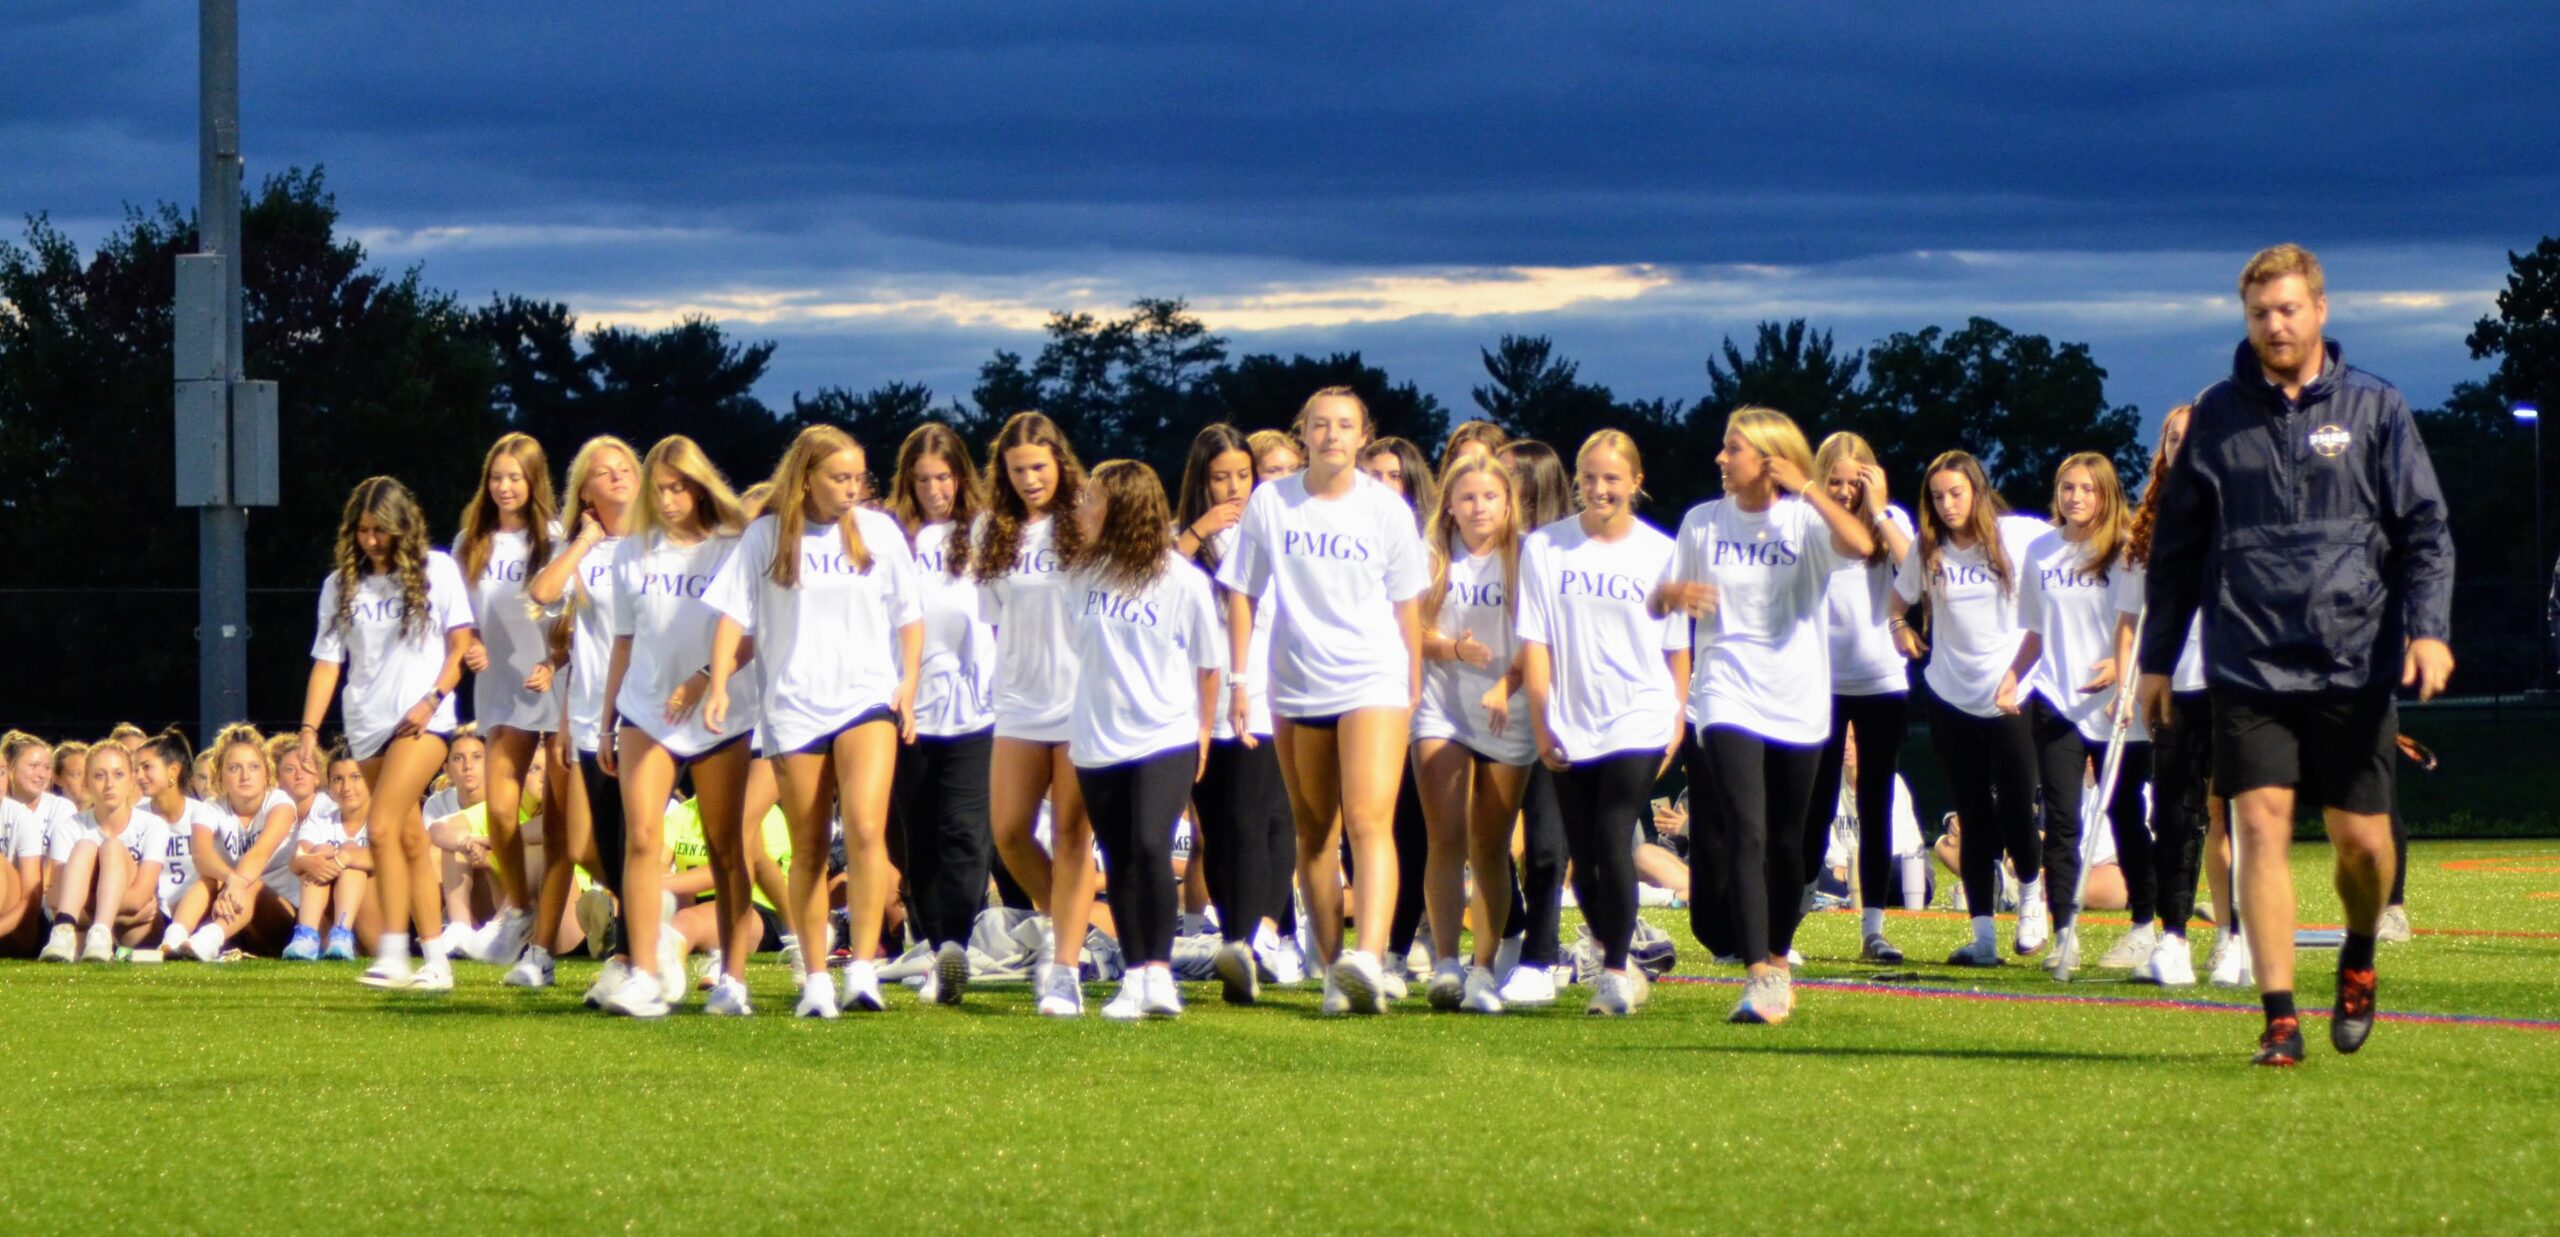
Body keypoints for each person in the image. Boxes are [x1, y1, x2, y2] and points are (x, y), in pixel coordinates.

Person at [2138, 243, 2454, 1067]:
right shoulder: (2215, 416)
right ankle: (2279, 1016)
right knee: (2258, 825)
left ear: (2319, 310)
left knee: (2364, 845)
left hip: (2353, 660)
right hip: (2248, 660)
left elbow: (2425, 531)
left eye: (2287, 309)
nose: (2274, 325)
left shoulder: (2377, 408)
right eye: (2259, 313)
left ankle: (2359, 949)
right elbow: (2176, 549)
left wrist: (2428, 629)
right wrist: (2157, 661)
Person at [1656, 409, 1872, 1022]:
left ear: (1769, 460)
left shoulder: (1805, 519)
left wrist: (1807, 487)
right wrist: (1671, 594)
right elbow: (1661, 601)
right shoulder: (1701, 521)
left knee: (1787, 843)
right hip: (1725, 690)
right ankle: (1758, 974)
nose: (1720, 459)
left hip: (1798, 698)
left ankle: (1778, 956)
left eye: (1733, 450)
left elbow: (1861, 545)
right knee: (1745, 831)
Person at [1218, 387, 1429, 1014]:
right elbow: (1241, 592)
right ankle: (1336, 970)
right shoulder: (1271, 501)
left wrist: (1412, 681)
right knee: (1314, 833)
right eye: (1319, 424)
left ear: (1363, 435)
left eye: (1344, 425)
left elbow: (1408, 607)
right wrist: (1238, 679)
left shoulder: (1386, 509)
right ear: (1303, 432)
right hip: (1295, 683)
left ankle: (1370, 957)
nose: (1331, 435)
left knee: (1368, 820)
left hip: (1372, 678)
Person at [706, 425, 920, 1018]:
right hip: (793, 705)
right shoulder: (766, 536)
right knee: (808, 846)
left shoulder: (879, 532)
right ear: (806, 478)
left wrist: (908, 684)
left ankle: (863, 969)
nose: (853, 488)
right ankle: (818, 979)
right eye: (839, 477)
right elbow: (732, 616)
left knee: (867, 827)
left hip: (866, 698)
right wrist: (718, 682)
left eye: (858, 477)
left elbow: (909, 616)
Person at [1520, 429, 1691, 1016]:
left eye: (1612, 478)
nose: (1599, 489)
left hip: (1639, 714)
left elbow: (1676, 648)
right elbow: (1536, 643)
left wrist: (1676, 718)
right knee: (1584, 858)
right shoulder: (1545, 548)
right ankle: (1617, 953)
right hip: (1571, 719)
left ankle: (1615, 971)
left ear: (1636, 483)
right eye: (1589, 477)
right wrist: (1542, 722)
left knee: (1614, 833)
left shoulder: (1661, 552)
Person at [592, 435, 759, 1019]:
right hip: (647, 710)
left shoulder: (734, 546)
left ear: (700, 486)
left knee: (725, 844)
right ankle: (643, 974)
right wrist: (607, 722)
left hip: (719, 712)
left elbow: (752, 637)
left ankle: (733, 979)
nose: (667, 499)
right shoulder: (631, 552)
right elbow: (624, 640)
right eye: (660, 489)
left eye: (679, 487)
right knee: (641, 836)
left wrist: (706, 678)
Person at [298, 476, 477, 992]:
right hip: (365, 724)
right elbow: (328, 663)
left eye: (380, 530)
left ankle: (395, 953)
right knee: (409, 838)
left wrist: (433, 698)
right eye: (363, 531)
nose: (371, 540)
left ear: (402, 526)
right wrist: (309, 730)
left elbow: (460, 646)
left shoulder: (437, 569)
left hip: (424, 721)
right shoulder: (339, 586)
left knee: (379, 827)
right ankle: (437, 962)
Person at [1066, 460, 1225, 1020]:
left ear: (1122, 508)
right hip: (1096, 737)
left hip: (1166, 735)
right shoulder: (1080, 575)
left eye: (1091, 499)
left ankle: (1160, 974)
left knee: (1152, 845)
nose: (1082, 508)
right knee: (1119, 855)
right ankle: (1134, 977)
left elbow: (1209, 663)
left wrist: (1203, 731)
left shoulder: (1182, 580)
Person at [970, 411, 1105, 1017]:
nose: (1029, 479)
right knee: (1008, 831)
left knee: (1074, 835)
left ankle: (1065, 970)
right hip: (1019, 702)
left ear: (1060, 464)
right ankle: (1076, 929)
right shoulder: (990, 531)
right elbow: (996, 623)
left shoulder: (1086, 520)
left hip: (1082, 700)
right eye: (1017, 470)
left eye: (1038, 467)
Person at [1898, 451, 2049, 967]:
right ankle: (1982, 935)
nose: (1947, 504)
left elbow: (2071, 547)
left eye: (1956, 493)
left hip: (2011, 694)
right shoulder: (1928, 549)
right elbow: (1898, 601)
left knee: (2016, 806)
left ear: (1978, 492)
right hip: (1949, 695)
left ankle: (2030, 897)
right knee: (1972, 814)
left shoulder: (2018, 535)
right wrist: (1899, 627)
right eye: (1937, 496)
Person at [1172, 424, 1301, 1003]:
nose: (1233, 488)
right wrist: (1199, 531)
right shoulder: (1186, 541)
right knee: (1217, 830)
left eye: (1243, 476)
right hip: (1199, 705)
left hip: (1263, 698)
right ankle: (1233, 939)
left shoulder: (1271, 532)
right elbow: (1150, 581)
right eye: (1220, 477)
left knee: (1254, 820)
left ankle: (1250, 942)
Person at [511, 435, 639, 990]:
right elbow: (542, 594)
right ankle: (649, 911)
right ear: (585, 490)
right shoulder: (583, 550)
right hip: (588, 714)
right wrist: (585, 539)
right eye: (603, 471)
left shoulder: (655, 544)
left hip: (644, 712)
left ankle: (636, 950)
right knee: (588, 843)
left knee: (633, 836)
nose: (617, 476)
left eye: (624, 467)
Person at [2018, 452, 2150, 980]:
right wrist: (2012, 676)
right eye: (2068, 487)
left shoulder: (2128, 549)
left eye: (2088, 489)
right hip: (2056, 701)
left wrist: (2121, 669)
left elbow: (2145, 623)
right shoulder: (2040, 551)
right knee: (2061, 821)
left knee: (2124, 813)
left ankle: (2145, 926)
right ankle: (2064, 935)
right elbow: (2035, 630)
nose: (2076, 497)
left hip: (2119, 703)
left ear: (2106, 495)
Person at [1411, 452, 1532, 1012]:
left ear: (1507, 503)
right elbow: (1408, 633)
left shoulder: (1527, 557)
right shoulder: (1430, 557)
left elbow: (1542, 641)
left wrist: (1505, 686)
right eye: (1467, 497)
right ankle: (1445, 963)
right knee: (1445, 837)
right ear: (1450, 506)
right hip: (1442, 706)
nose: (1479, 507)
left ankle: (1483, 970)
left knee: (1491, 845)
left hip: (1510, 708)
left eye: (1490, 496)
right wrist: (1453, 649)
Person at [886, 422, 998, 1006]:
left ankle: (956, 944)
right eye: (924, 480)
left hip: (977, 708)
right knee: (918, 838)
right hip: (907, 706)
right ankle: (934, 949)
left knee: (965, 831)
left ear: (962, 476)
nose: (935, 490)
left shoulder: (985, 532)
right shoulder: (891, 539)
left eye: (945, 477)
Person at [1800, 432, 1918, 964]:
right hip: (1820, 682)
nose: (1846, 491)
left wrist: (1881, 507)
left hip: (1881, 681)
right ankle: (1792, 913)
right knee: (1816, 802)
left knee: (1875, 803)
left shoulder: (1890, 519)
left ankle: (1873, 928)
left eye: (1855, 482)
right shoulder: (1807, 523)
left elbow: (1915, 571)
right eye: (1836, 482)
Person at [454, 432, 558, 970]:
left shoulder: (557, 539)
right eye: (496, 477)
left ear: (534, 481)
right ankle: (517, 908)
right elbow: (459, 619)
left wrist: (555, 662)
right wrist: (469, 644)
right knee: (499, 810)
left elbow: (573, 615)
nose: (504, 486)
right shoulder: (471, 542)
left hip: (558, 685)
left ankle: (548, 944)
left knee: (564, 823)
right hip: (501, 692)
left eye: (515, 477)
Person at [2123, 406, 2214, 987]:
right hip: (2174, 680)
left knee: (2234, 813)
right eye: (2173, 438)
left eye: (2193, 436)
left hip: (2234, 677)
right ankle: (2173, 935)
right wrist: (2135, 674)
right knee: (2173, 811)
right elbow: (2133, 613)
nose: (2183, 446)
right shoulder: (2151, 525)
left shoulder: (2238, 506)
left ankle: (2236, 936)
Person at [1491, 438, 1576, 1004]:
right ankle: (1512, 928)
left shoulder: (1564, 552)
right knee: (1483, 837)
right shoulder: (1478, 549)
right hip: (1489, 711)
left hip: (1550, 707)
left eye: (1505, 479)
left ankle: (1541, 956)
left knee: (1547, 844)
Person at [1360, 433, 1438, 997]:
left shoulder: (1432, 547)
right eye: (1375, 474)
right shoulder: (1345, 534)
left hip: (1425, 701)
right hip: (1362, 694)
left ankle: (1396, 951)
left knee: (1413, 831)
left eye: (1395, 475)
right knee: (1372, 828)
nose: (1384, 485)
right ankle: (1380, 949)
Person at [45, 743, 170, 962]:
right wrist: (122, 915)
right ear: (87, 782)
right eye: (99, 776)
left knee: (111, 846)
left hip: (136, 930)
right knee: (85, 846)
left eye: (118, 775)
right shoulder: (68, 827)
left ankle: (100, 932)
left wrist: (77, 902)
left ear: (132, 779)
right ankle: (64, 933)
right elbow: (54, 897)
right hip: (108, 923)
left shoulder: (153, 825)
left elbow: (139, 899)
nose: (109, 784)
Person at [288, 743, 374, 961]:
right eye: (337, 779)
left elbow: (390, 859)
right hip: (330, 916)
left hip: (377, 920)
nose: (346, 787)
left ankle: (342, 935)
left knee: (351, 859)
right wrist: (310, 860)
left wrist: (346, 856)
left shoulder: (384, 816)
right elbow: (297, 858)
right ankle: (307, 936)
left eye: (355, 777)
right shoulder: (322, 817)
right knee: (318, 853)